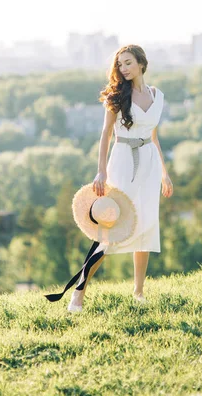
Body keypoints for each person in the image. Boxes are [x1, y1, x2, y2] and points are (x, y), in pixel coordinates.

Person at [67, 44, 173, 311]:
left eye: (128, 63)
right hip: (123, 161)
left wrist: (164, 172)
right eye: (120, 65)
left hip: (148, 162)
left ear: (140, 63)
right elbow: (106, 134)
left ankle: (138, 293)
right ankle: (77, 294)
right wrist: (101, 170)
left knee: (147, 224)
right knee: (109, 228)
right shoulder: (117, 97)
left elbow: (154, 136)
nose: (123, 69)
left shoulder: (157, 96)